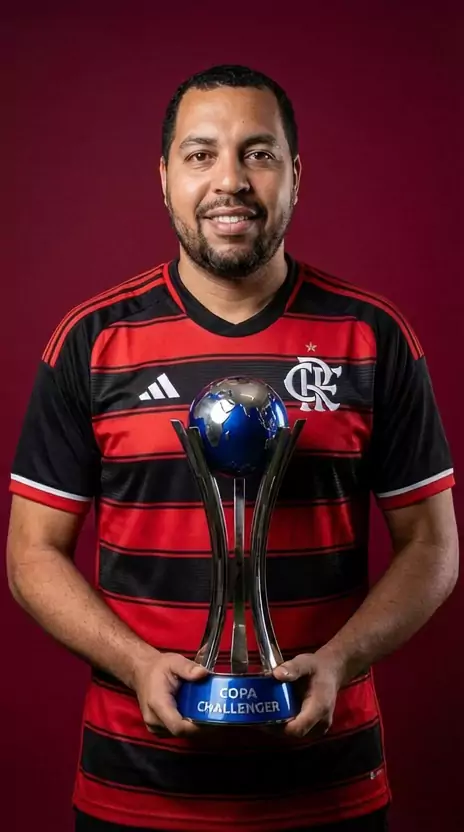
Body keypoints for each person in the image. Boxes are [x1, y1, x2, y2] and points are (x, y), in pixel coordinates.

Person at [7, 64, 458, 832]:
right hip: (134, 787)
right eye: (201, 154)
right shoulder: (91, 341)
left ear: (295, 174)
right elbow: (31, 553)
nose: (230, 181)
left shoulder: (372, 336)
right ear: (164, 177)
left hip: (330, 786)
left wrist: (342, 661)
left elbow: (433, 546)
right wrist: (136, 664)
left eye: (259, 153)